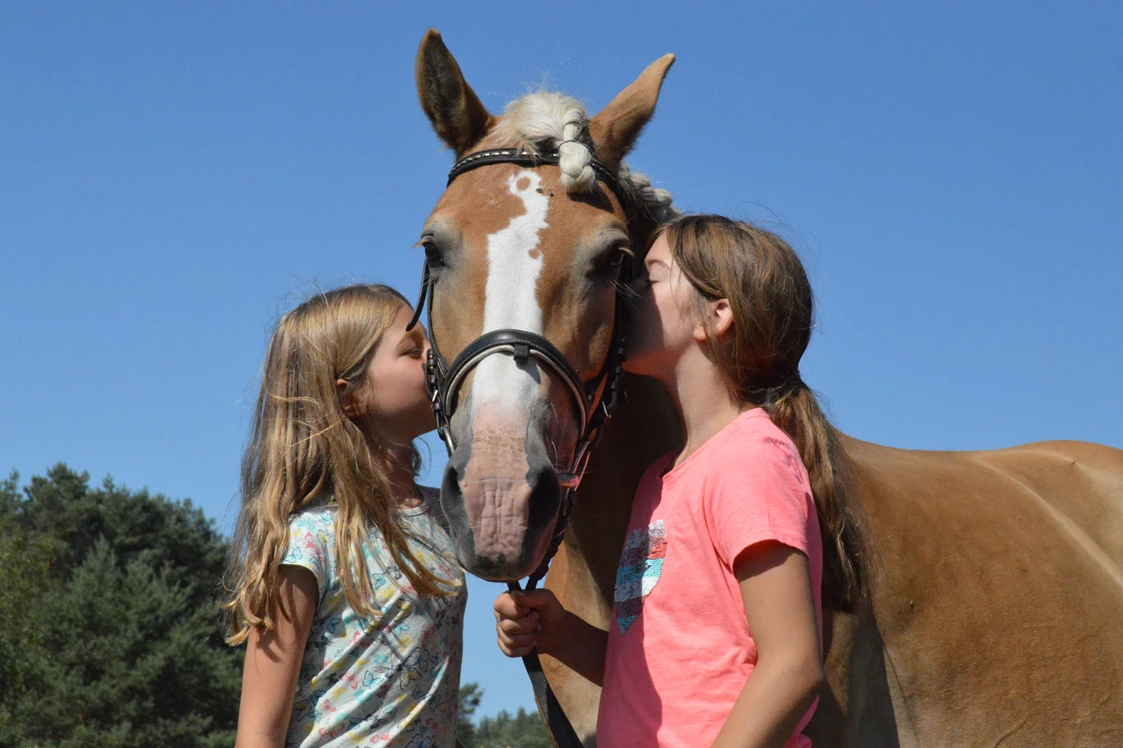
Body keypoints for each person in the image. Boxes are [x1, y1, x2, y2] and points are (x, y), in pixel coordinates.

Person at [494, 215, 864, 747]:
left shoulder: (750, 459)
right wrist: (561, 635)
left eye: (650, 277)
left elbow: (794, 665)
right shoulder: (660, 479)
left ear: (716, 316)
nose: (628, 294)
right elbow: (662, 675)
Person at [225, 284, 466, 748]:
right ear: (349, 396)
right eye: (413, 351)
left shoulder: (448, 514)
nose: (437, 358)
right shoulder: (308, 542)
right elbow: (257, 734)